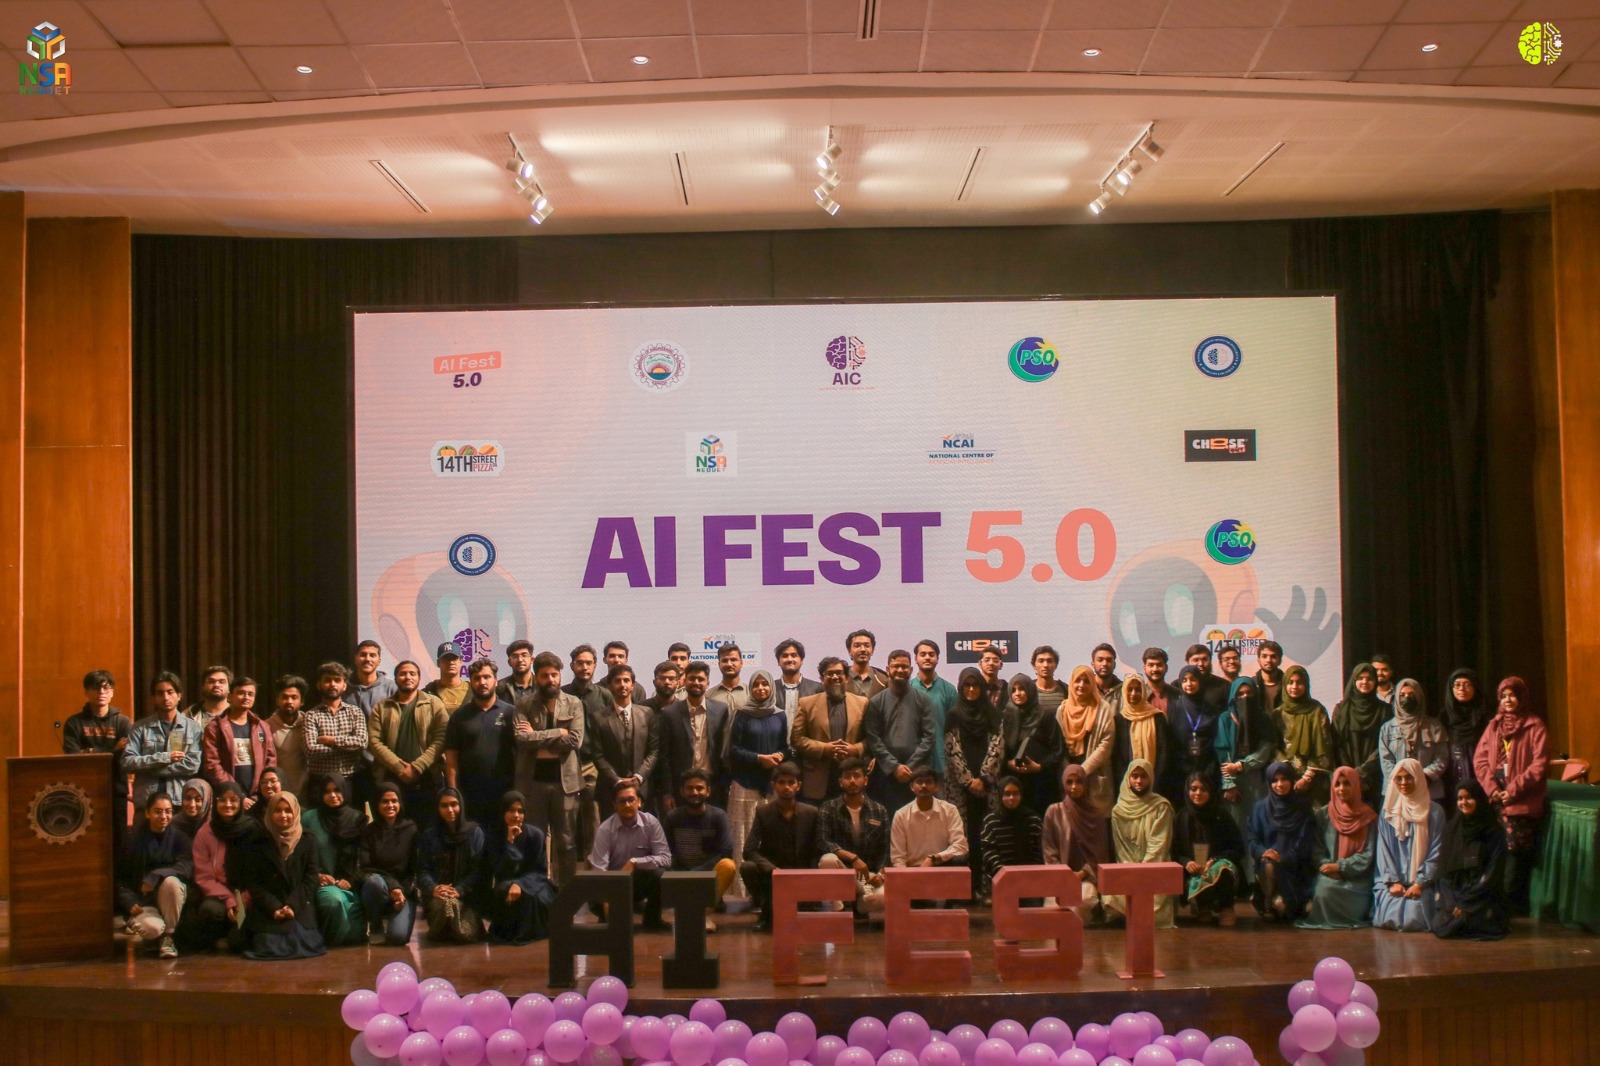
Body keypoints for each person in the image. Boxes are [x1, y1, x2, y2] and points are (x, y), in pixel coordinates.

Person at [1473, 676, 1549, 911]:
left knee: (1517, 852)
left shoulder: (1535, 725)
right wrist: (1493, 789)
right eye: (1504, 696)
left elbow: (1539, 765)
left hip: (1522, 802)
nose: (1507, 700)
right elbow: (1480, 760)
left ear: (1522, 698)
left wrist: (1512, 790)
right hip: (1497, 800)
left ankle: (1512, 905)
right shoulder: (1494, 725)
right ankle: (1499, 903)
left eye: (1512, 695)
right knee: (1498, 850)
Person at [510, 651, 583, 886]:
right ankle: (536, 891)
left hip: (565, 784)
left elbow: (575, 741)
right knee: (534, 841)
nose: (550, 679)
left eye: (554, 675)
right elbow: (522, 740)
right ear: (536, 677)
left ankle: (566, 894)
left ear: (560, 676)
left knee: (567, 843)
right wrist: (558, 732)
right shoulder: (524, 704)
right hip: (533, 785)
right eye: (545, 675)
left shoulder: (574, 703)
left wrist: (537, 737)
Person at [229, 792, 327, 960]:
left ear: (295, 812)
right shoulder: (257, 841)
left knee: (304, 941)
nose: (283, 815)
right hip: (268, 907)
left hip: (299, 904)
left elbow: (310, 878)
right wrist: (274, 907)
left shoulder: (308, 840)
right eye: (278, 810)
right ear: (270, 812)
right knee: (266, 944)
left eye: (288, 810)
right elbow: (254, 882)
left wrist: (292, 906)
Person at [725, 669, 791, 901]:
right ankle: (744, 892)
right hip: (745, 785)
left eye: (765, 684)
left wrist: (780, 755)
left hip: (772, 787)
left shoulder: (780, 715)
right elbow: (733, 750)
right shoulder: (741, 713)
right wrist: (758, 759)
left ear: (771, 687)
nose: (761, 688)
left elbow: (785, 747)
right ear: (750, 688)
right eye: (756, 685)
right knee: (743, 838)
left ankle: (770, 891)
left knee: (770, 839)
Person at [741, 762, 823, 931]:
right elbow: (749, 850)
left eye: (791, 782)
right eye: (782, 782)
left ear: (798, 785)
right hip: (772, 872)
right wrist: (772, 869)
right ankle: (764, 909)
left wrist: (810, 872)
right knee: (747, 867)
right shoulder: (763, 812)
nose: (786, 787)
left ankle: (805, 905)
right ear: (774, 785)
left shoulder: (811, 813)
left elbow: (818, 848)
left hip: (802, 871)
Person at [945, 667, 1002, 901]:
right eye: (967, 685)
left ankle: (986, 888)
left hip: (987, 788)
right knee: (964, 838)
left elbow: (998, 746)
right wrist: (969, 781)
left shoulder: (993, 713)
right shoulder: (953, 714)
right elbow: (951, 749)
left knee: (986, 837)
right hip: (961, 789)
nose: (971, 689)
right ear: (960, 687)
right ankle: (965, 889)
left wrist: (984, 778)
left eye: (975, 685)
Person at [1297, 766, 1378, 930]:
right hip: (1330, 874)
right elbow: (1317, 849)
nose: (1341, 789)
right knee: (1324, 892)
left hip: (1358, 879)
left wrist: (1341, 867)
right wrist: (1327, 866)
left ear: (1356, 785)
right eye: (1337, 784)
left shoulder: (1369, 817)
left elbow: (1368, 854)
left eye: (1347, 783)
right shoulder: (1324, 814)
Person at [1025, 665, 1114, 815]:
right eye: (1077, 680)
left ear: (1092, 684)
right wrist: (1071, 773)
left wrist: (1082, 771)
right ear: (1071, 683)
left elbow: (1105, 744)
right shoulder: (1063, 709)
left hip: (1095, 774)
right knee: (1070, 820)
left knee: (1095, 821)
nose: (1081, 685)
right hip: (1068, 774)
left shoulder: (1103, 708)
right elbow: (1059, 744)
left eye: (1086, 681)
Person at [369, 659, 450, 824]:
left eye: (412, 673)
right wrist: (400, 768)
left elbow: (442, 738)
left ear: (419, 678)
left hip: (428, 778)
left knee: (427, 827)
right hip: (392, 779)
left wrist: (417, 767)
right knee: (394, 828)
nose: (407, 677)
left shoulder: (434, 703)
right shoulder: (381, 707)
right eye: (403, 674)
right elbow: (374, 741)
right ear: (396, 678)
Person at [1215, 675, 1277, 889]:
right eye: (1240, 694)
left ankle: (1256, 881)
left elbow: (1266, 749)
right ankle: (1237, 880)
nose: (1245, 697)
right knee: (1236, 828)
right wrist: (1229, 783)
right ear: (1233, 696)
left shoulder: (1263, 718)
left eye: (1249, 693)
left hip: (1256, 780)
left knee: (1257, 827)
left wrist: (1244, 765)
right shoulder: (1225, 719)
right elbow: (1222, 752)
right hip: (1235, 784)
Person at [588, 781, 672, 932]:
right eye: (622, 801)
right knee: (595, 889)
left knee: (660, 875)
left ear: (639, 802)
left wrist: (635, 862)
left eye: (631, 800)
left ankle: (652, 919)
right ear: (614, 805)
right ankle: (608, 916)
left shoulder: (651, 823)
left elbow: (665, 858)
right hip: (612, 884)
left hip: (638, 882)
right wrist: (607, 902)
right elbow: (599, 871)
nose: (627, 805)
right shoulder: (605, 829)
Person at [116, 793, 192, 958]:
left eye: (168, 811)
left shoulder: (180, 838)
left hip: (169, 901)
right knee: (153, 929)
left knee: (172, 882)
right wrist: (129, 901)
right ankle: (156, 937)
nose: (164, 816)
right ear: (147, 813)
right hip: (143, 902)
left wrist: (156, 875)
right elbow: (120, 879)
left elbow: (185, 867)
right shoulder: (133, 841)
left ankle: (168, 937)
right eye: (158, 811)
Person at [184, 780, 257, 952]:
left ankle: (231, 936)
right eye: (222, 800)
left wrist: (242, 900)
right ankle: (218, 936)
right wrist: (229, 899)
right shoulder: (205, 832)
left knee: (239, 942)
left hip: (247, 893)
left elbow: (258, 873)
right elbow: (204, 877)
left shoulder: (253, 829)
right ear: (215, 802)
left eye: (233, 800)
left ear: (241, 801)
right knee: (210, 911)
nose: (228, 805)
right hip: (219, 893)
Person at [1431, 781, 1509, 941]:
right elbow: (1443, 871)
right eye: (1460, 798)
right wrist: (1452, 901)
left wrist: (1466, 902)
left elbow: (1492, 874)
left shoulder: (1494, 832)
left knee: (1474, 922)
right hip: (1457, 891)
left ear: (1479, 799)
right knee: (1440, 926)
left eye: (1469, 798)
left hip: (1482, 893)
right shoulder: (1452, 828)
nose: (1464, 802)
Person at [1102, 760, 1175, 928]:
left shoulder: (1161, 806)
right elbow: (1122, 851)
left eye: (1143, 776)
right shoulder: (1118, 811)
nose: (1139, 781)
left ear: (1151, 778)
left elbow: (1159, 845)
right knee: (1109, 897)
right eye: (1134, 776)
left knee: (1154, 906)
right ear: (1128, 778)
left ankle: (1132, 914)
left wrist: (1144, 872)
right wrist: (1133, 874)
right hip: (1129, 869)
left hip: (1155, 869)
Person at [1372, 758, 1444, 932]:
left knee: (1415, 915)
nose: (1404, 782)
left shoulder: (1434, 812)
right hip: (1392, 882)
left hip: (1425, 883)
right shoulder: (1388, 812)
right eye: (1399, 778)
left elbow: (1437, 852)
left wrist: (1419, 883)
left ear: (1419, 777)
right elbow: (1383, 851)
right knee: (1391, 915)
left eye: (1409, 777)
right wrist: (1393, 882)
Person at [444, 657, 516, 827]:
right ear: (470, 683)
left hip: (504, 793)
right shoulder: (459, 716)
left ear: (496, 681)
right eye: (477, 678)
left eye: (487, 677)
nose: (482, 682)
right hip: (469, 795)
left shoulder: (511, 713)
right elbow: (451, 759)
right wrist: (454, 793)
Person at [63, 669, 132, 844]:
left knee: (119, 838)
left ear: (112, 692)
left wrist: (90, 751)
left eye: (106, 688)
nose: (101, 692)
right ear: (86, 692)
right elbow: (73, 757)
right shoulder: (74, 723)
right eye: (96, 688)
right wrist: (112, 749)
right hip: (84, 790)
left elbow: (125, 758)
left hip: (116, 788)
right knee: (88, 839)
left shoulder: (123, 722)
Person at [663, 768, 737, 930]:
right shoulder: (673, 817)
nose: (694, 792)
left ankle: (702, 913)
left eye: (699, 788)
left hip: (708, 877)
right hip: (681, 877)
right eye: (689, 788)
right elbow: (667, 852)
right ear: (682, 791)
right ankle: (693, 910)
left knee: (728, 865)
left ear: (708, 791)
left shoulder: (718, 816)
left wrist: (695, 874)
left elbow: (725, 851)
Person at [1248, 761, 1321, 921]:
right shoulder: (1260, 808)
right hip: (1268, 868)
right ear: (1269, 782)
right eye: (1274, 780)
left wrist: (1283, 857)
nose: (1279, 784)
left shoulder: (1302, 808)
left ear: (1292, 779)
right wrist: (1264, 852)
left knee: (1296, 909)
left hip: (1296, 868)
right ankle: (1269, 901)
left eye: (1284, 779)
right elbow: (1253, 839)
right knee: (1269, 866)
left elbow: (1305, 842)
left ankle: (1285, 902)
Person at [300, 773, 368, 946]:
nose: (332, 795)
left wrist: (351, 879)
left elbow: (365, 856)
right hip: (322, 883)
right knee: (333, 901)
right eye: (327, 791)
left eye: (337, 790)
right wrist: (317, 876)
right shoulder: (309, 818)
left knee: (355, 933)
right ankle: (328, 946)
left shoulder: (357, 819)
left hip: (352, 884)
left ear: (345, 791)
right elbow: (302, 854)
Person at [817, 757, 890, 918]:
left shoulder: (879, 810)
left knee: (885, 898)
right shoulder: (828, 808)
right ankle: (839, 910)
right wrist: (853, 858)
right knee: (828, 860)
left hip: (868, 877)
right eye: (847, 776)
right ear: (840, 782)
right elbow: (823, 841)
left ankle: (859, 904)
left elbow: (885, 849)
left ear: (865, 780)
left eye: (856, 776)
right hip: (843, 873)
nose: (852, 781)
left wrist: (880, 874)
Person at [483, 791, 558, 945]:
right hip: (506, 881)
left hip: (534, 881)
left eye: (520, 811)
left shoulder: (535, 835)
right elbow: (500, 871)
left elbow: (540, 871)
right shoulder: (494, 837)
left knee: (535, 897)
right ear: (503, 812)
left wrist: (520, 884)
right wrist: (509, 842)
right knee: (505, 892)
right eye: (511, 810)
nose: (516, 815)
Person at [864, 650, 934, 812]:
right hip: (885, 774)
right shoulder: (876, 702)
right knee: (886, 818)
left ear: (911, 670)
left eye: (904, 667)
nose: (900, 670)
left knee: (916, 818)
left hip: (916, 774)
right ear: (888, 669)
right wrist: (894, 767)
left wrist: (909, 767)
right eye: (896, 666)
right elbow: (874, 739)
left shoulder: (923, 700)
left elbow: (929, 737)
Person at [791, 656, 867, 804]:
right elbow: (796, 739)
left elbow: (871, 738)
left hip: (851, 776)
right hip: (818, 778)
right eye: (829, 673)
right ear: (822, 678)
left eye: (839, 673)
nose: (835, 677)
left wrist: (855, 749)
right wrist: (824, 748)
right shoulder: (807, 704)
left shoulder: (862, 703)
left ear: (846, 678)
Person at [125, 672, 205, 811]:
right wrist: (165, 758)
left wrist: (149, 768)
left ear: (179, 695)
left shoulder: (193, 728)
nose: (165, 697)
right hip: (146, 801)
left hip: (179, 801)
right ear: (153, 697)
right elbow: (128, 762)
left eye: (170, 692)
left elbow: (192, 765)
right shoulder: (140, 727)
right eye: (160, 693)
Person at [1042, 764, 1111, 923]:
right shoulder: (1054, 812)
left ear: (1086, 784)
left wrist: (1080, 874)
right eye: (1069, 782)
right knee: (1054, 911)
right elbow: (1049, 851)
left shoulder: (1096, 815)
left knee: (1081, 902)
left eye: (1079, 782)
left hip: (1087, 878)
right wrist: (1065, 875)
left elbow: (1100, 854)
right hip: (1059, 878)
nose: (1074, 787)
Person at [417, 787, 487, 943]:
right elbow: (422, 871)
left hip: (467, 896)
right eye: (444, 805)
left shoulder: (475, 833)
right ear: (438, 808)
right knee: (443, 907)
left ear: (461, 805)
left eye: (454, 804)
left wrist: (459, 890)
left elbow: (478, 870)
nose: (450, 810)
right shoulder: (430, 836)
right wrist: (434, 888)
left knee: (463, 933)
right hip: (438, 896)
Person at [1172, 772, 1243, 925]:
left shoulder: (1222, 815)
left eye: (1203, 789)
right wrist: (1186, 862)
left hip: (1217, 866)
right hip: (1193, 869)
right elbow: (1174, 851)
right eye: (1193, 789)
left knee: (1221, 868)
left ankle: (1226, 907)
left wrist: (1215, 859)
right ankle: (1202, 906)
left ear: (1210, 791)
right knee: (1203, 918)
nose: (1198, 793)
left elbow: (1238, 848)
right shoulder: (1181, 817)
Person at [564, 643, 612, 867]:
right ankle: (569, 866)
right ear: (572, 665)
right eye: (580, 663)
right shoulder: (562, 694)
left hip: (593, 762)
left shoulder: (604, 695)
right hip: (566, 762)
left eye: (589, 663)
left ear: (595, 666)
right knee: (567, 815)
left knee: (593, 814)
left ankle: (595, 866)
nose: (584, 667)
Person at [356, 781, 419, 947]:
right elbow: (365, 868)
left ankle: (393, 916)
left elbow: (415, 869)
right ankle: (376, 925)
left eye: (394, 801)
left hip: (404, 891)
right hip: (378, 889)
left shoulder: (411, 829)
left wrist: (401, 892)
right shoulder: (369, 832)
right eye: (385, 801)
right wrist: (392, 887)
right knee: (373, 883)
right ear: (377, 804)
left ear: (400, 803)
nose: (390, 805)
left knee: (398, 937)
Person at [658, 661, 730, 808]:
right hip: (681, 787)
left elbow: (725, 751)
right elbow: (664, 757)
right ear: (684, 681)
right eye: (692, 679)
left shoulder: (721, 710)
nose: (696, 682)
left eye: (701, 679)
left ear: (707, 683)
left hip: (713, 786)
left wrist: (725, 785)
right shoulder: (669, 713)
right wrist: (667, 792)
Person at [593, 665, 660, 814]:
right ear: (610, 686)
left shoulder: (647, 714)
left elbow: (654, 750)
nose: (622, 684)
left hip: (642, 788)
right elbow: (597, 755)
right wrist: (616, 780)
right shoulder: (598, 718)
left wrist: (639, 777)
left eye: (626, 680)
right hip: (610, 789)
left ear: (632, 685)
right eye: (617, 681)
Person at [202, 676, 277, 798]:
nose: (246, 697)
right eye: (241, 693)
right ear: (230, 697)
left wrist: (261, 791)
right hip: (228, 797)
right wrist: (236, 793)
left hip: (258, 796)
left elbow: (270, 760)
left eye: (250, 694)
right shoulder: (214, 727)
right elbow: (212, 765)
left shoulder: (262, 726)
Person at [1378, 678, 1448, 802]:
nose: (1406, 698)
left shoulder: (1434, 726)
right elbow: (1386, 760)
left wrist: (1424, 776)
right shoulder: (1387, 728)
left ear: (1419, 697)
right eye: (1402, 695)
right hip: (1397, 792)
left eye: (1411, 695)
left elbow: (1442, 757)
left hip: (1429, 791)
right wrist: (1402, 780)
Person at [1272, 665, 1334, 805]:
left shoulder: (1317, 710)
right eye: (1290, 682)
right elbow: (1273, 746)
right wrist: (1286, 772)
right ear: (1284, 685)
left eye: (1299, 682)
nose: (1295, 686)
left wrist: (1307, 778)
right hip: (1285, 779)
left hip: (1315, 780)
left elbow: (1324, 745)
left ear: (1306, 685)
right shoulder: (1278, 714)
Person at [889, 765, 968, 871]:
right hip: (912, 871)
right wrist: (906, 877)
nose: (924, 785)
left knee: (961, 862)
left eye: (929, 782)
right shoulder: (901, 815)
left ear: (936, 786)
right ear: (912, 786)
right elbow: (898, 858)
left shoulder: (950, 810)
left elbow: (961, 845)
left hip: (943, 868)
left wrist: (934, 858)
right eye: (919, 782)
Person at [302, 662, 369, 788]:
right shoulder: (311, 715)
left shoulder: (355, 712)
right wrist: (346, 746)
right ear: (319, 685)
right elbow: (310, 750)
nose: (332, 684)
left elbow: (362, 742)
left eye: (337, 680)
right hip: (320, 780)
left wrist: (331, 740)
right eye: (327, 680)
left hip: (350, 779)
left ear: (344, 686)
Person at [1330, 663, 1389, 803]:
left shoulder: (1384, 710)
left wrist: (1362, 771)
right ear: (1353, 680)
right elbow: (1337, 743)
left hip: (1374, 776)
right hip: (1345, 777)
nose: (1365, 682)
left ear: (1375, 682)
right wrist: (1349, 772)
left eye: (1370, 679)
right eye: (1360, 678)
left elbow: (1384, 744)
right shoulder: (1341, 709)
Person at [1163, 666, 1219, 803]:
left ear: (1200, 681)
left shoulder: (1211, 709)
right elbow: (1171, 741)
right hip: (1180, 771)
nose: (1189, 684)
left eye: (1193, 679)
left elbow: (1215, 741)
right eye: (1185, 680)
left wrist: (1208, 770)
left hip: (1208, 770)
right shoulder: (1174, 707)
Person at [980, 776, 1044, 894]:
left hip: (1031, 882)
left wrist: (1031, 875)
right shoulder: (991, 821)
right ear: (1000, 795)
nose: (1011, 798)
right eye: (1007, 794)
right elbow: (988, 852)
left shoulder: (1033, 820)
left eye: (1015, 793)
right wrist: (1005, 875)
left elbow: (1040, 851)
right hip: (1000, 881)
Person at [1114, 674, 1170, 804]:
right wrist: (1128, 781)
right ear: (1124, 692)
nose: (1133, 693)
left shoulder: (1157, 718)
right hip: (1127, 785)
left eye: (1138, 689)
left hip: (1155, 784)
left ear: (1144, 692)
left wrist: (1153, 780)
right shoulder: (1119, 720)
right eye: (1130, 689)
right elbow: (1117, 757)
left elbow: (1164, 752)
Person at [1002, 675, 1052, 812]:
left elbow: (1057, 749)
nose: (1017, 693)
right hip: (1012, 782)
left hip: (1040, 782)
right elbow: (997, 749)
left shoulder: (1045, 715)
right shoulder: (1004, 716)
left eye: (1022, 689)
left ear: (1030, 690)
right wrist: (1008, 763)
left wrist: (1040, 767)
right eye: (1013, 690)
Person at [1439, 668, 1490, 802]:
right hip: (1451, 773)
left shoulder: (1484, 716)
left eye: (1467, 684)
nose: (1462, 689)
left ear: (1475, 687)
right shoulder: (1444, 717)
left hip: (1479, 771)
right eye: (1457, 685)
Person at [912, 639, 958, 776]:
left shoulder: (949, 690)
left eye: (931, 654)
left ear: (937, 658)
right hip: (913, 761)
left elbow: (955, 729)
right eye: (923, 654)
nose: (927, 657)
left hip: (942, 761)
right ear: (915, 659)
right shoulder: (907, 689)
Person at [265, 675, 311, 798]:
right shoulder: (266, 726)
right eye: (285, 697)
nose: (289, 701)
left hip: (307, 791)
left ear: (302, 701)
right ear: (277, 700)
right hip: (279, 792)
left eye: (294, 697)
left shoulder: (309, 723)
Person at [773, 638, 824, 712]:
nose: (789, 659)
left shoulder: (817, 689)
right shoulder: (771, 689)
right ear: (778, 661)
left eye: (794, 655)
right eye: (785, 656)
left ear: (801, 660)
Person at [350, 639, 397, 714]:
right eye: (363, 655)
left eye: (372, 655)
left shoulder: (391, 688)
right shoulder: (344, 687)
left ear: (379, 661)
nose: (367, 659)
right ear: (356, 659)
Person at [426, 642, 470, 713]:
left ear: (461, 661)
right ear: (438, 663)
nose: (451, 662)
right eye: (446, 658)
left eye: (454, 658)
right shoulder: (428, 692)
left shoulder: (472, 691)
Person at [845, 629, 889, 698]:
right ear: (849, 651)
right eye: (857, 646)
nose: (863, 649)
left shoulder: (883, 679)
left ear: (872, 650)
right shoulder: (841, 678)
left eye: (867, 645)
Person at [707, 643, 750, 714]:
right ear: (719, 664)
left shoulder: (751, 693)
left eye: (733, 660)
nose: (729, 664)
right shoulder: (708, 696)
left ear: (741, 663)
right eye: (725, 660)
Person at [497, 639, 537, 706]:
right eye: (515, 656)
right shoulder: (499, 687)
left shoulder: (541, 684)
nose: (520, 660)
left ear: (532, 660)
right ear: (509, 662)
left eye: (524, 655)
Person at [1031, 646, 1066, 721]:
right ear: (1034, 665)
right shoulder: (1027, 691)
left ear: (1056, 665)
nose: (1045, 665)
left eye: (1049, 661)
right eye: (1041, 661)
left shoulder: (1066, 690)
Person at [1253, 640, 1285, 711]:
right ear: (1258, 660)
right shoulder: (1251, 685)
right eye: (1264, 656)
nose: (1268, 660)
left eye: (1273, 656)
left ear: (1280, 661)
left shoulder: (1288, 684)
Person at [1141, 647, 1175, 714]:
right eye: (1151, 665)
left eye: (1159, 665)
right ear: (1144, 669)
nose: (1155, 669)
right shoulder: (1139, 695)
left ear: (1166, 668)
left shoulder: (1177, 695)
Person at [1090, 643, 1123, 711]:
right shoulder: (1086, 688)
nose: (1104, 664)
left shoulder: (1123, 690)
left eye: (1109, 660)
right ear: (1093, 664)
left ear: (1114, 665)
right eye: (1100, 660)